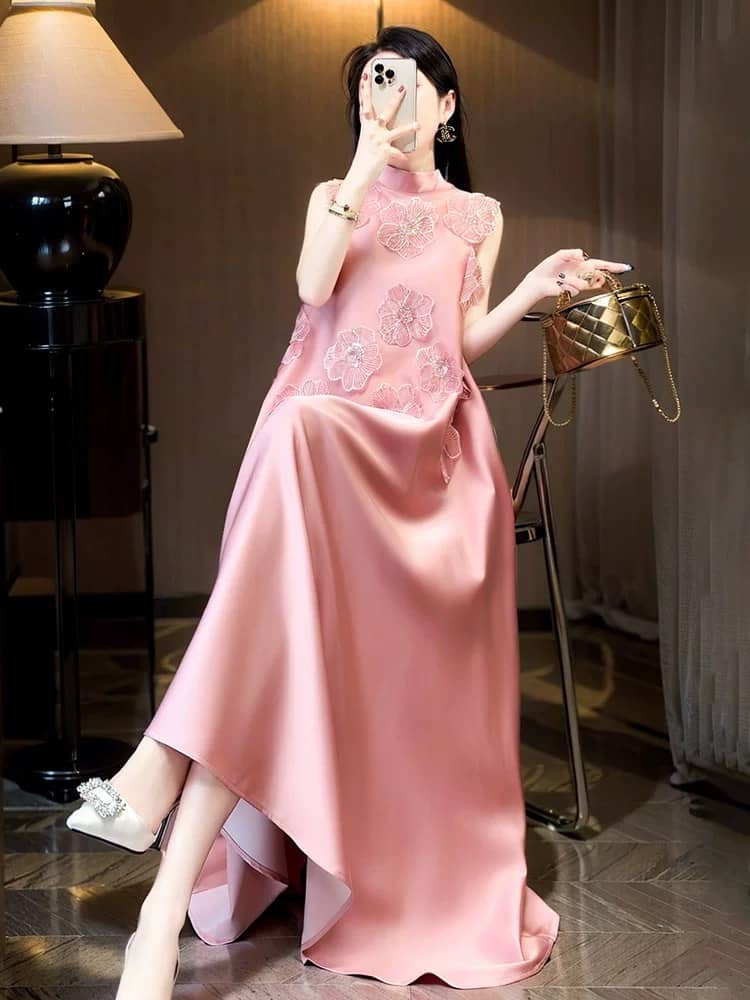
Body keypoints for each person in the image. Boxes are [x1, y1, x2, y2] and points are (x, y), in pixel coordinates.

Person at [66, 25, 631, 998]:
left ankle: (154, 780)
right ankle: (157, 914)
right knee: (300, 446)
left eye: (405, 83)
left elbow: (459, 342)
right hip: (325, 457)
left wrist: (535, 291)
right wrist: (365, 166)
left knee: (292, 492)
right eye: (373, 85)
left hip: (426, 466)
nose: (388, 98)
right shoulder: (337, 194)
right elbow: (312, 284)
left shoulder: (479, 215)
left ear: (447, 106)